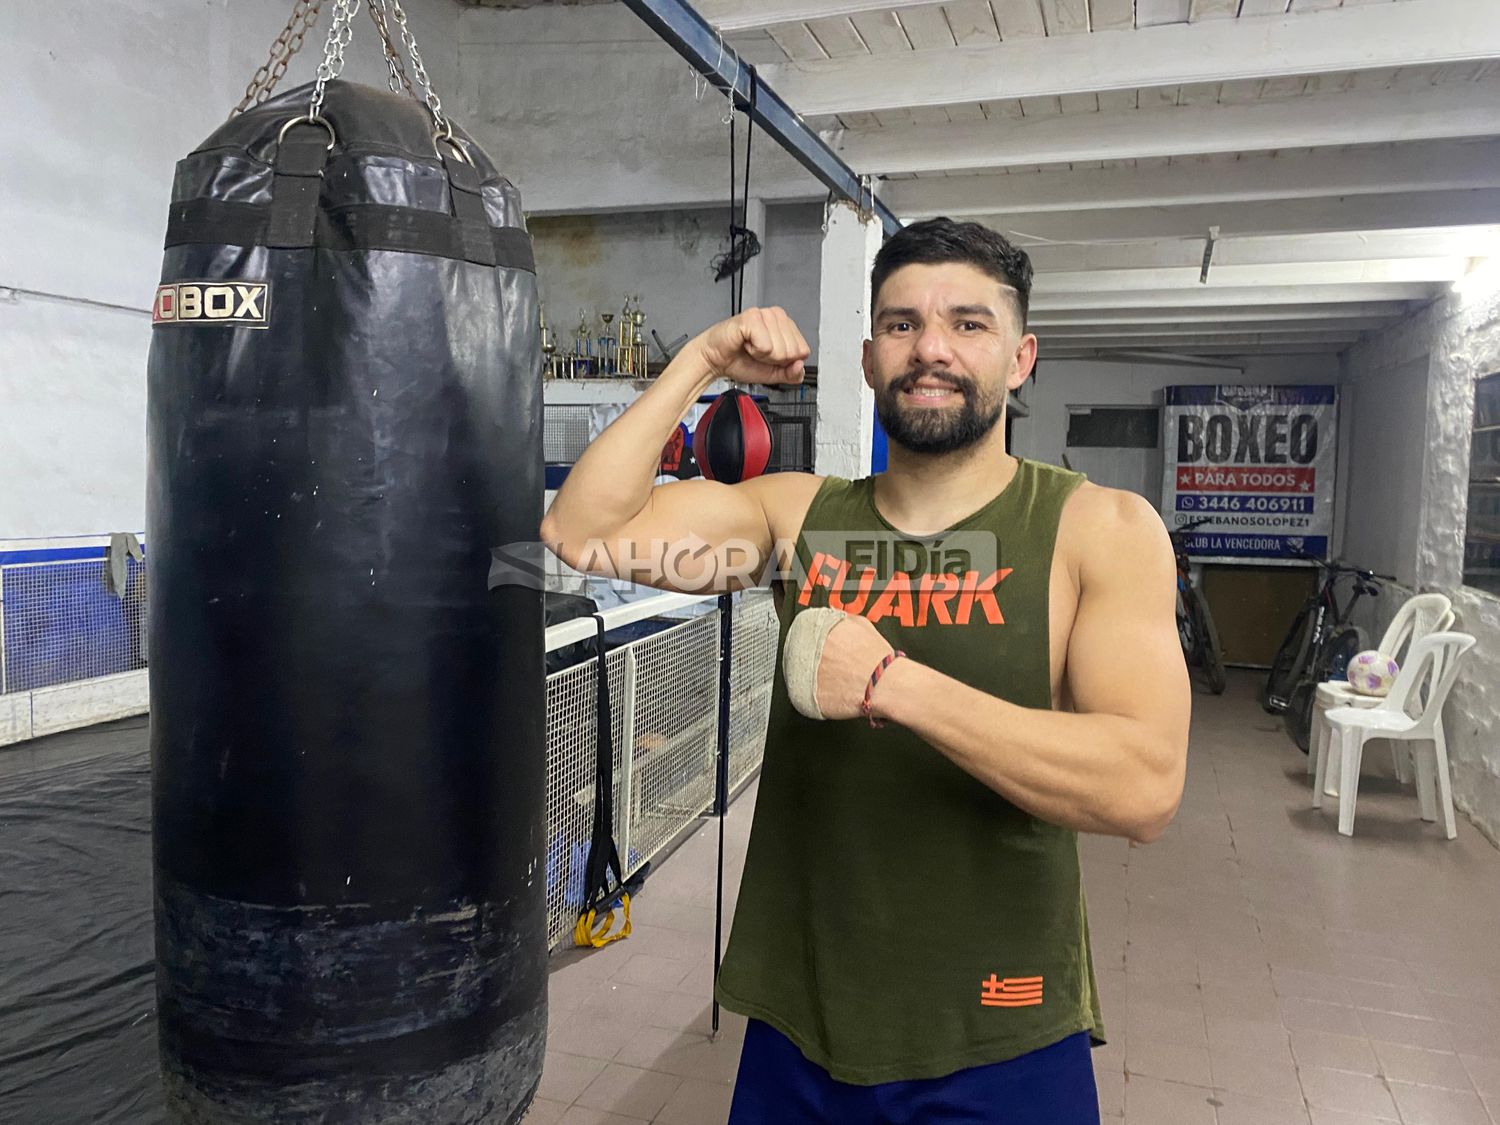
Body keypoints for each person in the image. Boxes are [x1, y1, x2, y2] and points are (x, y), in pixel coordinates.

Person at [542, 218, 1191, 1124]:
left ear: (1021, 358)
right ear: (867, 358)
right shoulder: (795, 517)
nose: (930, 347)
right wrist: (699, 362)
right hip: (801, 1016)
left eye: (968, 324)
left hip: (999, 1029)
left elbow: (1143, 784)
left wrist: (897, 684)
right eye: (901, 325)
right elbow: (584, 532)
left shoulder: (1099, 530)